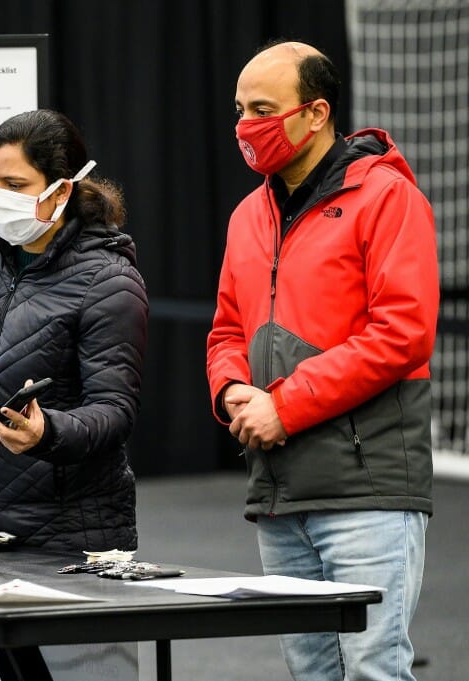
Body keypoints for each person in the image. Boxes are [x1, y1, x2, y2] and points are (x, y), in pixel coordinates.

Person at [207, 41, 438, 681]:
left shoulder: (388, 198)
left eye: (262, 109)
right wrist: (231, 392)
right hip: (280, 494)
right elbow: (226, 329)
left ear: (315, 114)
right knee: (312, 675)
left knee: (373, 672)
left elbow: (403, 334)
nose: (245, 126)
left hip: (370, 492)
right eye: (238, 109)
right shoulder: (248, 216)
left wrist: (284, 405)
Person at [0, 109, 148, 553]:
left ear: (62, 189)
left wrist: (46, 434)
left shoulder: (109, 280)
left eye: (15, 185)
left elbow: (114, 410)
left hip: (76, 530)